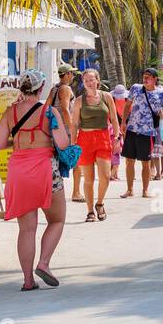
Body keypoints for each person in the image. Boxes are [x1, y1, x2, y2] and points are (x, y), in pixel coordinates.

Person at [0, 71, 71, 290]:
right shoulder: (49, 112)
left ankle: (28, 280)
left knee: (27, 229)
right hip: (46, 169)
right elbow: (63, 144)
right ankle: (44, 263)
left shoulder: (11, 113)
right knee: (56, 219)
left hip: (19, 170)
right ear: (41, 87)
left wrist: (18, 143)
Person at [70, 68, 120, 221]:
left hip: (103, 137)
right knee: (89, 179)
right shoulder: (79, 100)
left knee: (105, 176)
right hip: (85, 139)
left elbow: (114, 118)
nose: (90, 83)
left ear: (97, 80)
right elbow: (74, 124)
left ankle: (99, 203)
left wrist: (117, 137)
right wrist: (73, 144)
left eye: (92, 80)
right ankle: (90, 211)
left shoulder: (107, 97)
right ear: (83, 84)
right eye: (86, 81)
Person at [121, 68, 163, 199]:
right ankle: (130, 189)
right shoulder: (135, 88)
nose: (145, 78)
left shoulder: (161, 94)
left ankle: (145, 190)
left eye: (148, 76)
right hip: (132, 130)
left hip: (148, 132)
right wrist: (123, 122)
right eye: (144, 76)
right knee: (129, 161)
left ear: (155, 79)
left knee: (146, 162)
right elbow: (127, 106)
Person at [48, 65, 82, 206]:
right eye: (72, 74)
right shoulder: (65, 89)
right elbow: (65, 109)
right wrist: (73, 128)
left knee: (54, 161)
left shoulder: (54, 88)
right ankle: (76, 192)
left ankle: (52, 192)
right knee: (76, 159)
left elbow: (47, 107)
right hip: (65, 130)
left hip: (54, 130)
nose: (73, 76)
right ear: (67, 74)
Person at [109, 85, 127, 179]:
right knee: (114, 151)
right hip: (112, 129)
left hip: (125, 128)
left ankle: (115, 173)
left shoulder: (127, 100)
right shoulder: (111, 100)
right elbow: (109, 117)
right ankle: (112, 173)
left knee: (118, 151)